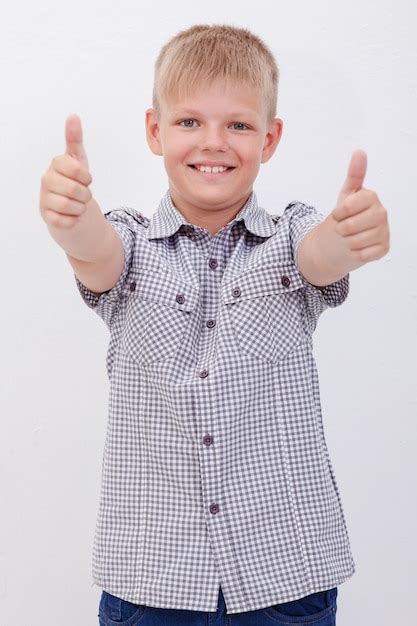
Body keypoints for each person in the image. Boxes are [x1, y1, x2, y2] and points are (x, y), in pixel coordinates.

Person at [39, 23, 390, 626]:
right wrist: (70, 219)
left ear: (270, 139)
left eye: (239, 125)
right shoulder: (126, 243)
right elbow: (95, 254)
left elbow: (320, 254)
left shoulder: (289, 238)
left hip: (285, 576)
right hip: (151, 581)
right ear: (155, 130)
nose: (213, 143)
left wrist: (348, 237)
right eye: (188, 122)